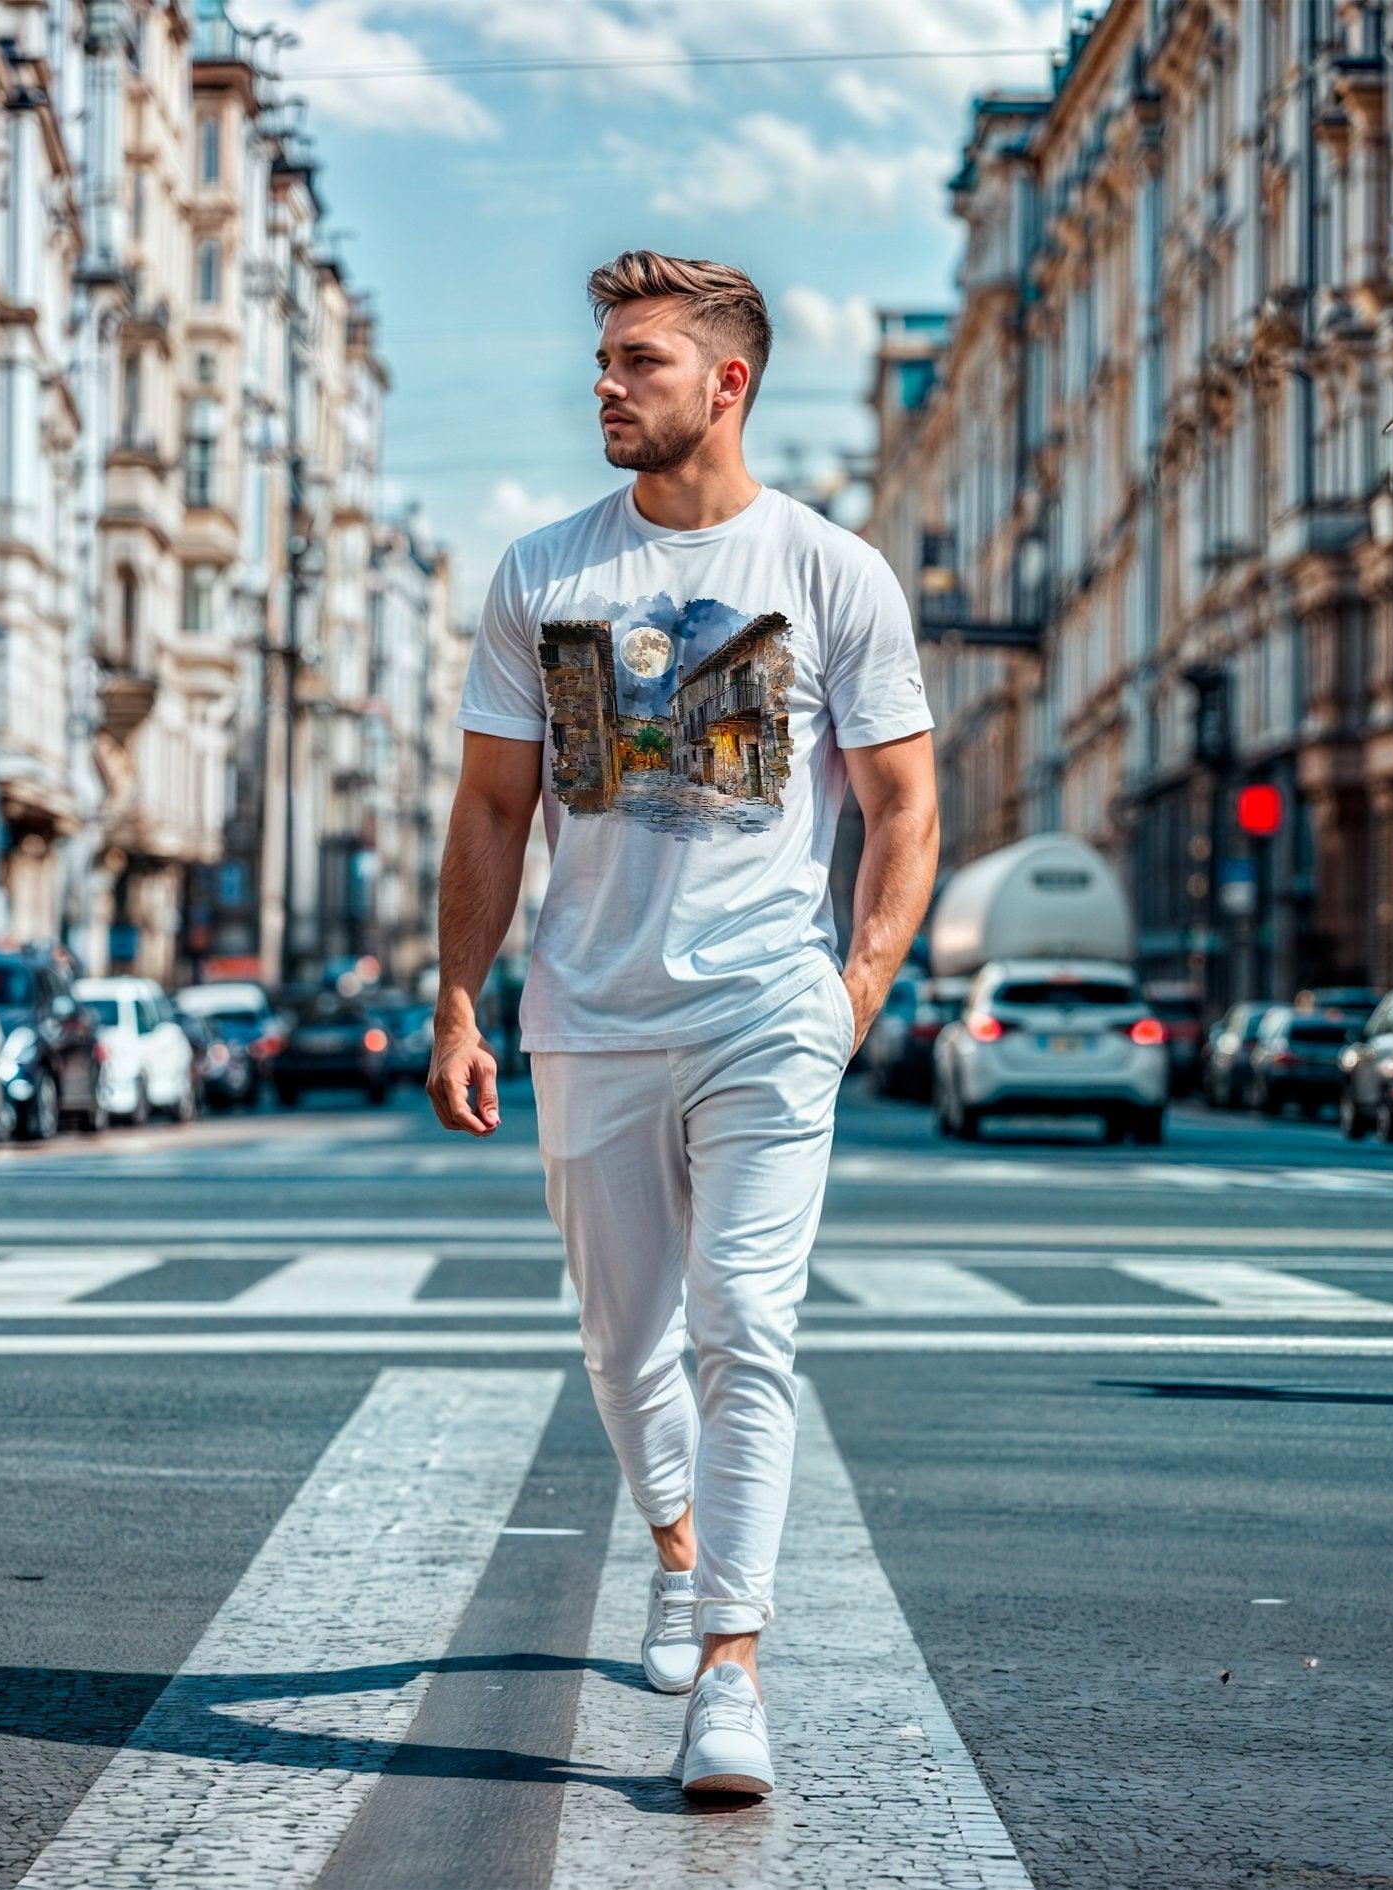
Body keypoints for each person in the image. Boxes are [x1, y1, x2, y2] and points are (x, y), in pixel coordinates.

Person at [428, 249, 938, 1797]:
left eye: (637, 361)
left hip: (764, 1009)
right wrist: (456, 995)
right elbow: (491, 808)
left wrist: (849, 993)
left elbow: (905, 806)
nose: (604, 382)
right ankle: (674, 1544)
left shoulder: (832, 571)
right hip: (586, 1008)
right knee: (623, 1340)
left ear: (726, 384)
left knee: (745, 1326)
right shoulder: (542, 572)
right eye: (602, 359)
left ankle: (732, 1668)